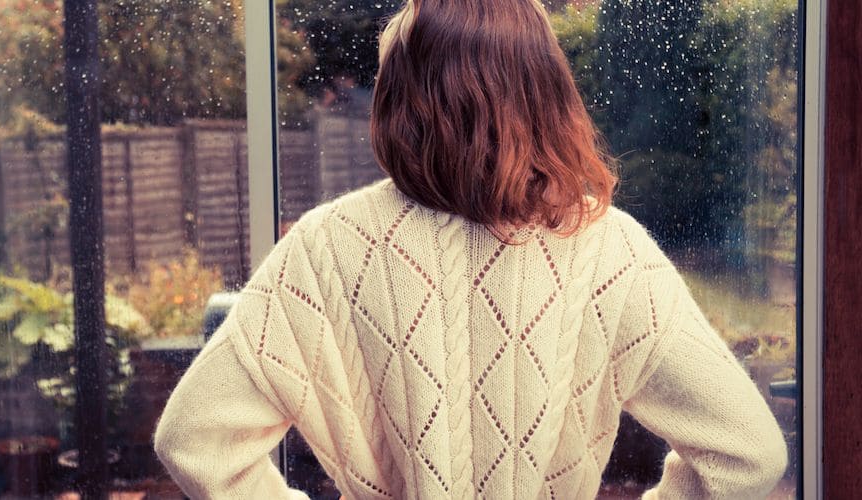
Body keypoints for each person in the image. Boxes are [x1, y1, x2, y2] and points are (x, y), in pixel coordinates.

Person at [153, 0, 788, 497]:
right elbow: (748, 453)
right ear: (545, 93)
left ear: (400, 100)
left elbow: (195, 442)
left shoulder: (325, 248)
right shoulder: (606, 246)